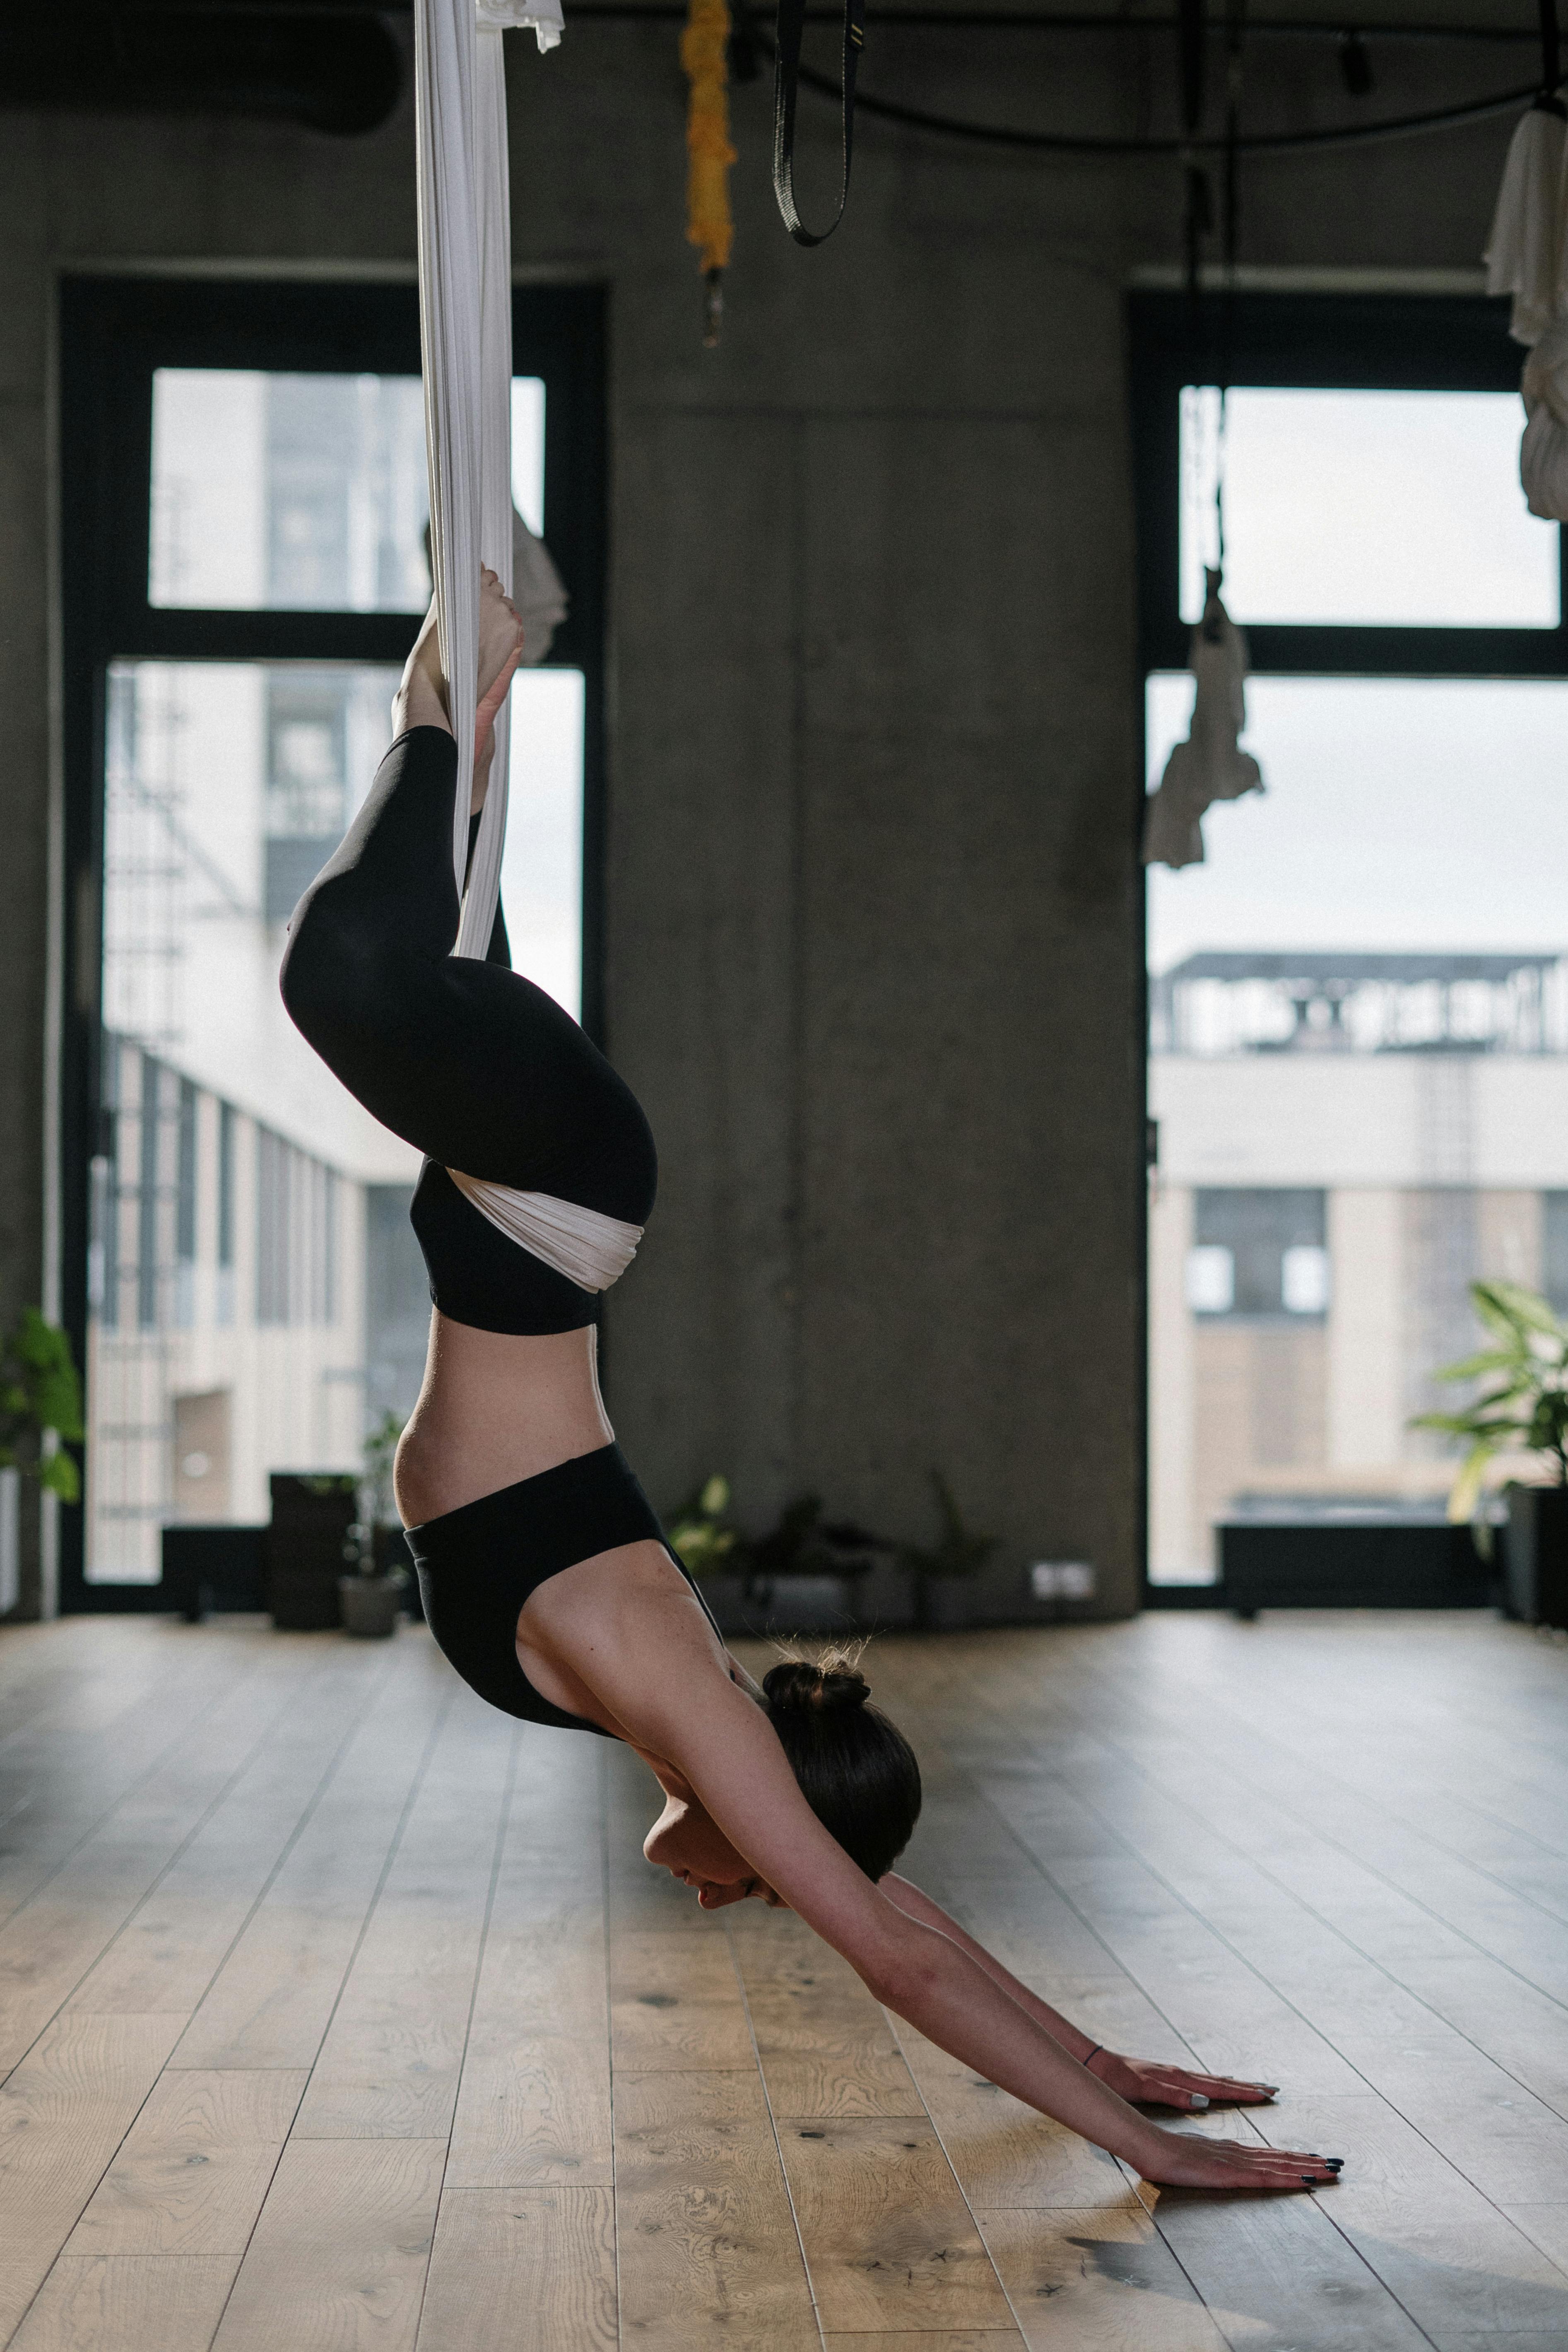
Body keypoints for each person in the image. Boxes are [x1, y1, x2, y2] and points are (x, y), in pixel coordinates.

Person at [280, 571, 1341, 2196]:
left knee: (387, 972)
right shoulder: (689, 1703)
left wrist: (1111, 2061)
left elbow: (910, 1921)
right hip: (551, 1200)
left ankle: (461, 702)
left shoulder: (676, 1716)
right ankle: (449, 694)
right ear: (777, 1813)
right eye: (770, 1874)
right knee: (343, 980)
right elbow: (890, 1953)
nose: (730, 1889)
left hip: (507, 1210)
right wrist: (1140, 2152)